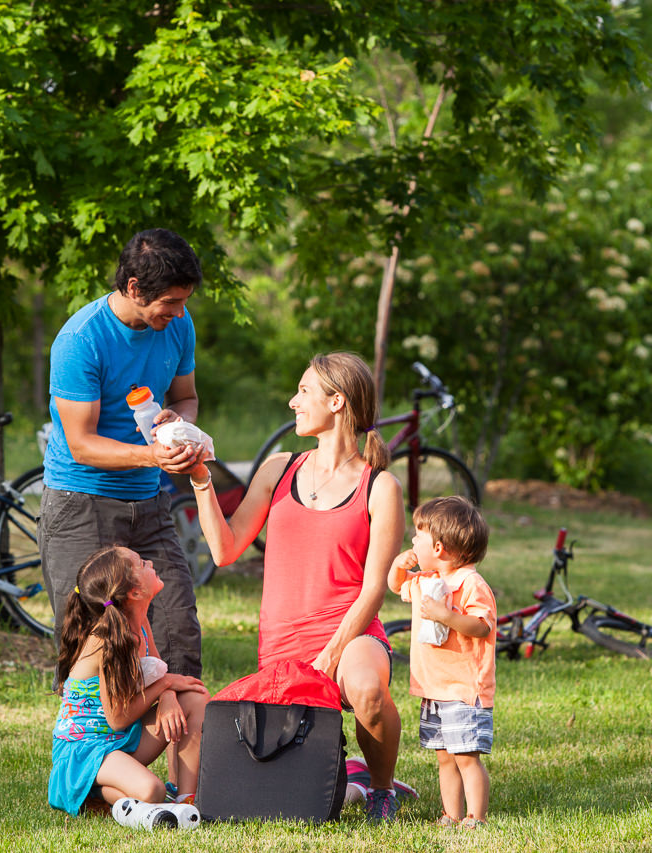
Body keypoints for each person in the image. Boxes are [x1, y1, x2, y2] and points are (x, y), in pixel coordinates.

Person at [186, 351, 407, 821]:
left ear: (337, 402)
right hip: (283, 642)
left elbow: (373, 589)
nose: (292, 401)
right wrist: (201, 480)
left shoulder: (380, 486)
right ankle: (351, 772)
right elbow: (226, 550)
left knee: (366, 691)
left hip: (350, 631)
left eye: (303, 390)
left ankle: (382, 789)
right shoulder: (279, 467)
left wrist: (330, 654)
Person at [39, 228, 207, 683]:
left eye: (183, 301)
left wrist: (178, 423)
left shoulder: (178, 326)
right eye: (170, 302)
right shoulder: (81, 340)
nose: (179, 312)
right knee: (93, 648)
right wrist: (154, 457)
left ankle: (182, 752)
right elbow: (82, 444)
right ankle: (95, 753)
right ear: (134, 287)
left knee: (178, 637)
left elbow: (187, 396)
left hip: (149, 505)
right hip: (81, 505)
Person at [48, 545, 209, 816]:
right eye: (140, 564)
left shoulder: (140, 621)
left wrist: (168, 694)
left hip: (119, 740)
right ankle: (92, 793)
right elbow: (118, 718)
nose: (149, 562)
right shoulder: (106, 639)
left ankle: (186, 802)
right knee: (150, 791)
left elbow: (158, 672)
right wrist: (165, 685)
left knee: (194, 697)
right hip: (86, 752)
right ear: (134, 593)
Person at [386, 496, 495, 830]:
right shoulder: (423, 580)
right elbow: (395, 586)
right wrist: (398, 566)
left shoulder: (470, 584)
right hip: (434, 689)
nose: (412, 543)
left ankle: (476, 817)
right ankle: (451, 813)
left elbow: (482, 625)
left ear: (438, 547)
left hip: (463, 689)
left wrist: (447, 616)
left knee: (466, 757)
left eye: (416, 538)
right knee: (445, 757)